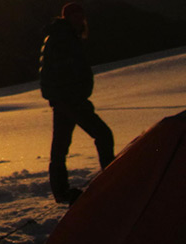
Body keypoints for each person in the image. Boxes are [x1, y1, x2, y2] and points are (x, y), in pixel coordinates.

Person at [39, 2, 114, 205]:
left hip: (66, 100)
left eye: (81, 15)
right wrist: (70, 97)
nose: (80, 19)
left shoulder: (64, 37)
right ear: (68, 18)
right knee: (103, 135)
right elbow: (57, 72)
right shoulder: (62, 38)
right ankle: (113, 181)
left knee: (60, 148)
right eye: (75, 16)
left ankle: (61, 193)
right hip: (70, 101)